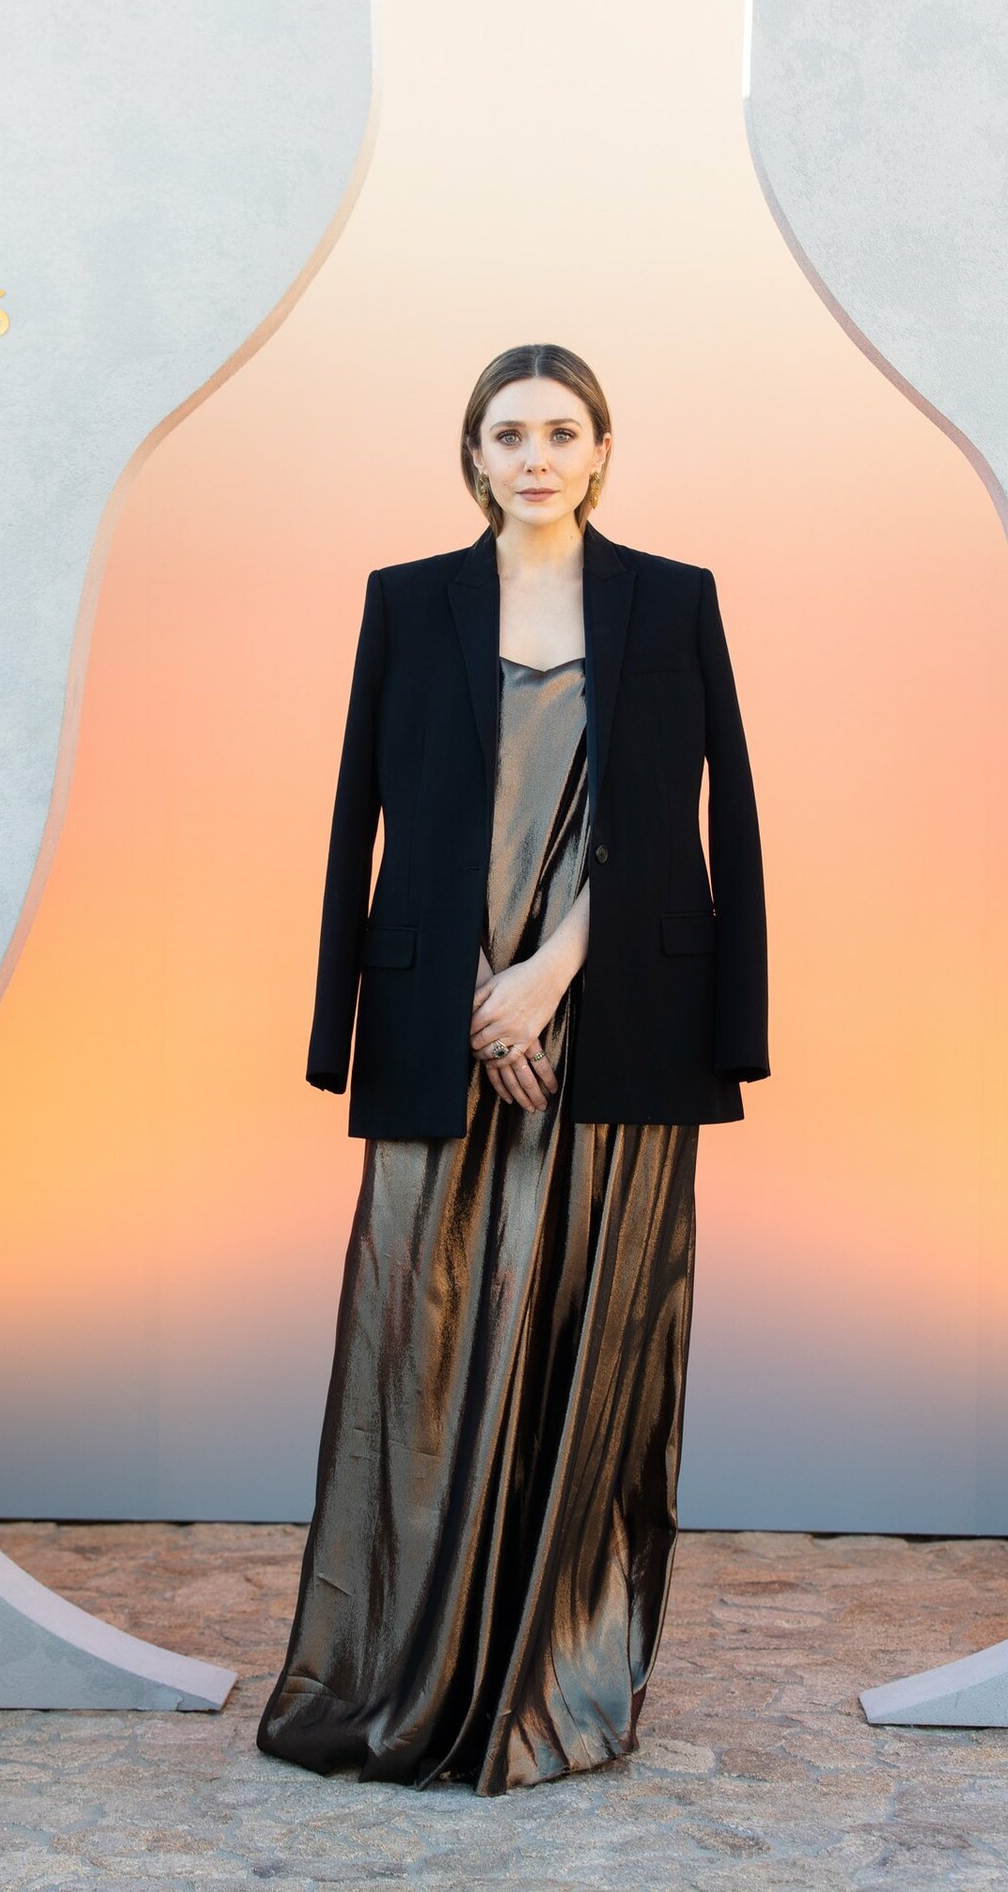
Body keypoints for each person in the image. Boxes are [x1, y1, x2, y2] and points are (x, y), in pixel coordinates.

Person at [256, 342, 769, 1796]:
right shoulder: (405, 600)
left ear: (601, 449)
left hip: (618, 1017)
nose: (535, 457)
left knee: (588, 1340)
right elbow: (369, 814)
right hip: (444, 1016)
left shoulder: (674, 599)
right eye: (507, 434)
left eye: (560, 432)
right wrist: (464, 1000)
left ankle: (552, 1678)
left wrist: (546, 978)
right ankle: (401, 1669)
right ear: (472, 455)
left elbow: (695, 814)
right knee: (415, 1343)